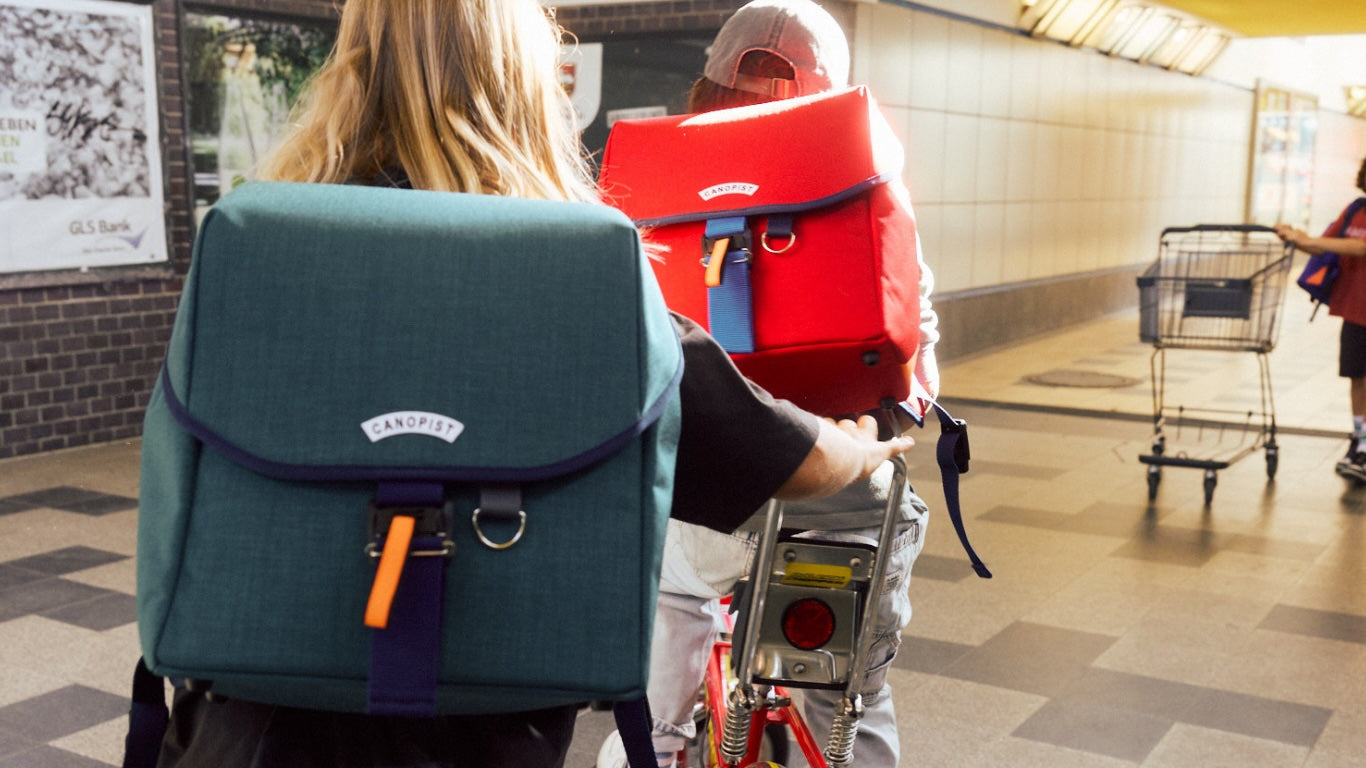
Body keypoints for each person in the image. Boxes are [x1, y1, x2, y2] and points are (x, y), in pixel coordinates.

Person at [150, 1, 915, 767]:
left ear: (348, 69)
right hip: (485, 735)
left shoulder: (250, 248)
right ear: (523, 81)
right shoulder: (582, 272)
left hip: (249, 732)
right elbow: (772, 453)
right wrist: (860, 447)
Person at [599, 2, 938, 766]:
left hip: (699, 497)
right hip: (841, 500)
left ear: (708, 84)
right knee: (848, 705)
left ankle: (657, 739)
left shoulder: (653, 181)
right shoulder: (873, 187)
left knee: (650, 704)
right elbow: (916, 360)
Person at [1275, 157, 1366, 481]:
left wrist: (1309, 240)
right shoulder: (1355, 210)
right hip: (1356, 311)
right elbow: (1325, 246)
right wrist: (1295, 237)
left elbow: (1359, 247)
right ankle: (1361, 443)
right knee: (1358, 378)